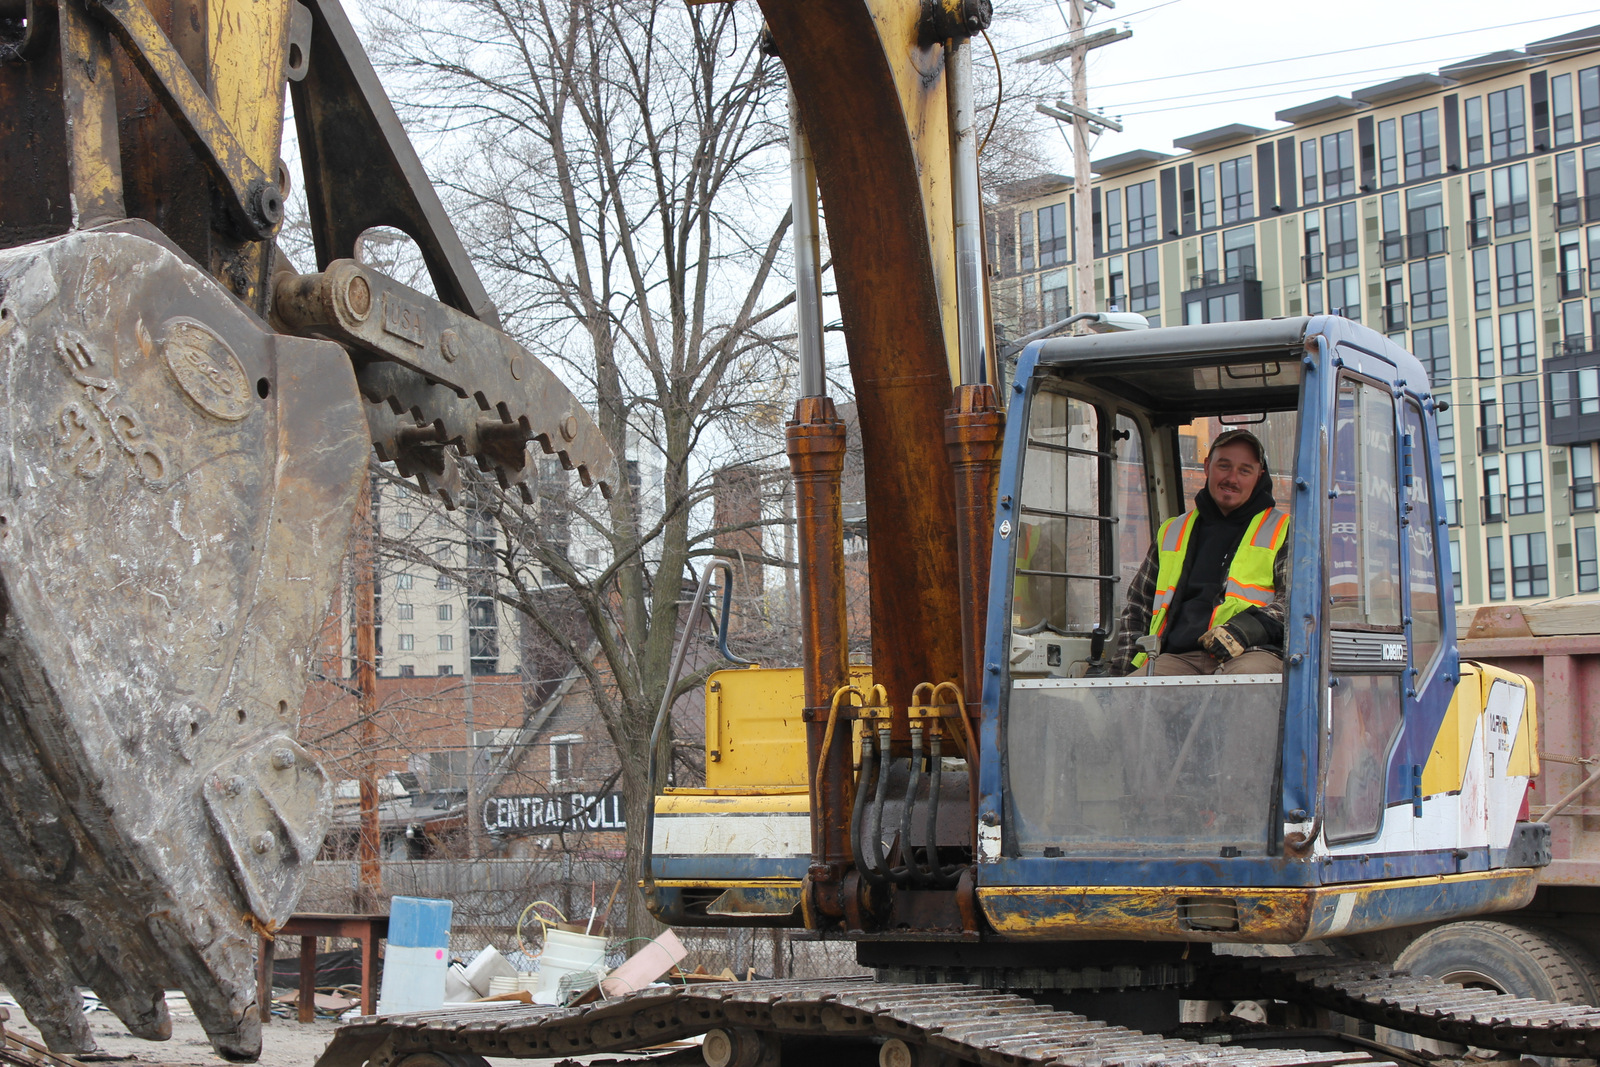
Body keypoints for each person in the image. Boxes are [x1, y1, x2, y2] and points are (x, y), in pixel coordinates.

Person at [1111, 428, 1290, 676]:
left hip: (1251, 653)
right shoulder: (1173, 531)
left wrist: (1246, 629)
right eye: (1224, 466)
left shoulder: (1284, 530)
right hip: (1178, 657)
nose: (1232, 478)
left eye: (1244, 470)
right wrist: (1119, 676)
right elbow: (1138, 608)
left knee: (1243, 689)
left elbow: (1296, 601)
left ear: (1259, 476)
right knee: (1129, 698)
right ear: (1207, 466)